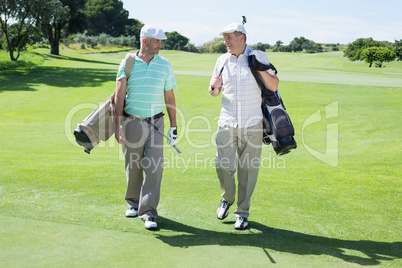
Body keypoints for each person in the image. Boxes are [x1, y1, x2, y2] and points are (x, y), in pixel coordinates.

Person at [209, 22, 279, 230]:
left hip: (252, 123)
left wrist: (259, 67)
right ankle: (227, 198)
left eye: (230, 37)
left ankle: (242, 212)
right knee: (223, 166)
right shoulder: (222, 60)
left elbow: (273, 85)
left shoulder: (258, 57)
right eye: (225, 38)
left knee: (247, 170)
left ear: (242, 38)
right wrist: (214, 88)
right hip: (227, 122)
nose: (226, 42)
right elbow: (213, 91)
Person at [114, 25, 177, 230]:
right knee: (133, 165)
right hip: (132, 121)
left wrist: (173, 126)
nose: (160, 45)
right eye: (156, 41)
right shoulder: (128, 63)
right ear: (144, 42)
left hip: (156, 122)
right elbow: (119, 96)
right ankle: (133, 202)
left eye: (160, 42)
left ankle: (148, 211)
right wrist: (117, 126)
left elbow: (169, 96)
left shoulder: (165, 65)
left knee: (154, 168)